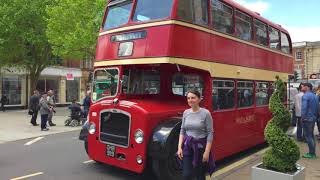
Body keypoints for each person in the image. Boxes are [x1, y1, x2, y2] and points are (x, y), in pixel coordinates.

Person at [177, 90, 215, 180]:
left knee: (200, 175)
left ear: (199, 99)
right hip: (187, 146)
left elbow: (210, 133)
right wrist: (179, 147)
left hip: (200, 147)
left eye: (193, 98)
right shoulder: (186, 112)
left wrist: (207, 152)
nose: (190, 100)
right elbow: (182, 130)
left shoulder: (206, 113)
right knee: (186, 175)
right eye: (188, 98)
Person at [301, 83, 318, 159]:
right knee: (311, 136)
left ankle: (311, 154)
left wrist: (303, 117)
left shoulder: (305, 96)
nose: (302, 87)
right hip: (313, 118)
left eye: (303, 86)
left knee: (308, 136)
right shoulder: (315, 96)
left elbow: (304, 108)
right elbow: (318, 107)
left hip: (307, 119)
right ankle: (313, 152)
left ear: (307, 87)